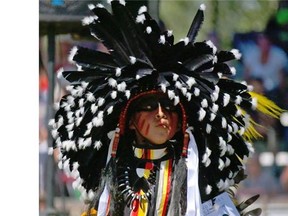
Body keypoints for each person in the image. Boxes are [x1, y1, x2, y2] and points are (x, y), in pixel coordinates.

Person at [49, 1, 283, 215]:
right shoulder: (112, 175)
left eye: (169, 107)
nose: (161, 114)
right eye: (149, 107)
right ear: (129, 120)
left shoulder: (198, 180)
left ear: (182, 119)